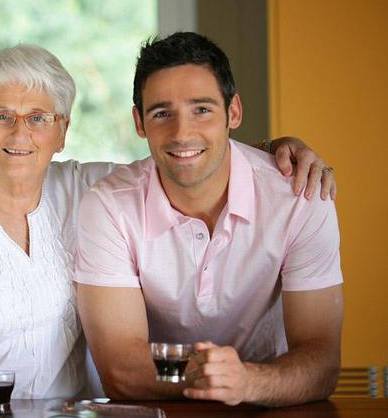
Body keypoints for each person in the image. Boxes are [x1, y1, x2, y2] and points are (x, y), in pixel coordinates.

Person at [0, 44, 336, 418]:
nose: (19, 134)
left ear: (62, 131)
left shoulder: (85, 188)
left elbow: (185, 156)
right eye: (1, 117)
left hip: (70, 414)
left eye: (39, 118)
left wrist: (278, 149)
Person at [74, 32, 343, 407]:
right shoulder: (108, 206)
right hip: (161, 412)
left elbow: (322, 362)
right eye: (162, 113)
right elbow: (121, 370)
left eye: (201, 109)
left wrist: (248, 383)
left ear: (233, 112)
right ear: (139, 122)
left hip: (270, 407)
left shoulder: (301, 196)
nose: (182, 133)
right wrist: (214, 376)